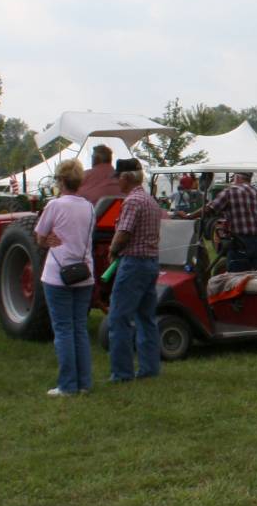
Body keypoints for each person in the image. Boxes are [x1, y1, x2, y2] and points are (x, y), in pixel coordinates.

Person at [33, 158, 96, 396]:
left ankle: (67, 385)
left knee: (63, 329)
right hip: (84, 271)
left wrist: (48, 239)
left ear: (61, 181)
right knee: (79, 328)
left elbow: (40, 236)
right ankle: (84, 383)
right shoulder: (89, 207)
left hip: (58, 273)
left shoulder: (55, 205)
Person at [106, 158, 163, 381]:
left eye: (118, 178)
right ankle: (149, 368)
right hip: (151, 262)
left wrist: (112, 250)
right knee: (146, 318)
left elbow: (124, 232)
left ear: (127, 177)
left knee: (119, 318)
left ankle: (122, 373)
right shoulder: (150, 200)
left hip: (133, 264)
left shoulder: (132, 202)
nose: (116, 182)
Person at [182, 171, 257, 271]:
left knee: (236, 276)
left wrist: (189, 216)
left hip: (240, 242)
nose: (232, 180)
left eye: (233, 178)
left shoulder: (230, 191)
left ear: (237, 177)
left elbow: (209, 209)